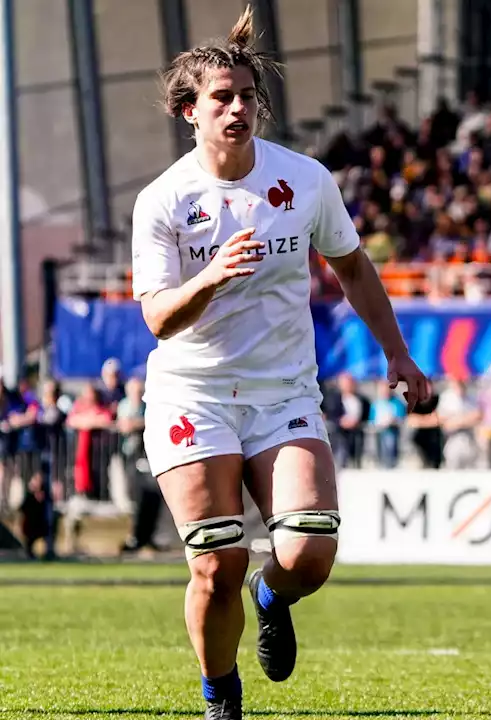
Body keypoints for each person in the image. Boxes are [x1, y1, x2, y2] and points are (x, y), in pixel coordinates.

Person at [131, 8, 428, 719]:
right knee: (216, 562)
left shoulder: (304, 179)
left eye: (246, 97)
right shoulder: (163, 201)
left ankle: (272, 600)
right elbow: (159, 321)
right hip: (193, 394)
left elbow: (354, 270)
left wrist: (399, 354)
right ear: (188, 112)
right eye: (221, 99)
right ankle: (221, 696)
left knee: (307, 556)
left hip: (283, 392)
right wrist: (210, 277)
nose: (238, 109)